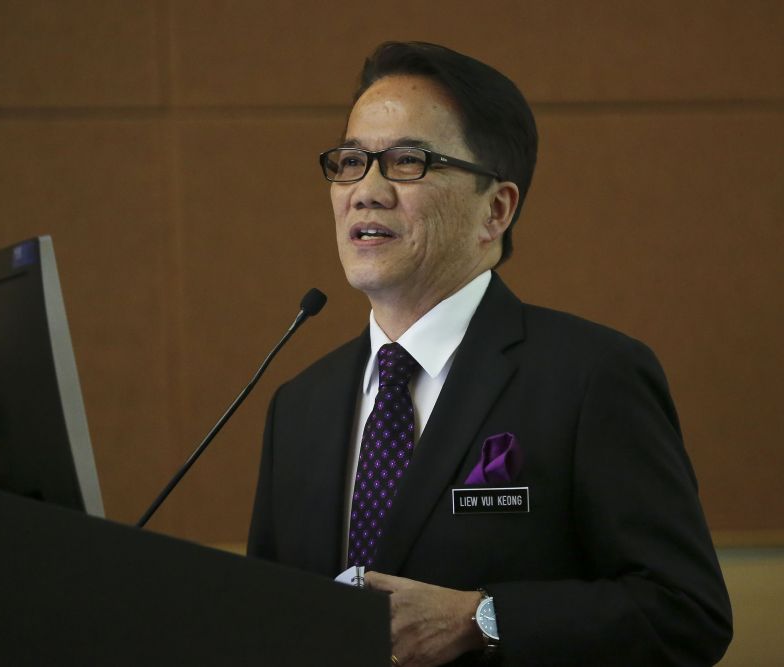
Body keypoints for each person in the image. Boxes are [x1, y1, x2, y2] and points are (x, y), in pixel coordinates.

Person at [247, 41, 732, 666]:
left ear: (495, 209)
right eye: (350, 162)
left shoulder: (591, 377)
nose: (364, 191)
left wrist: (485, 618)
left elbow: (686, 613)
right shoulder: (298, 406)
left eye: (406, 162)